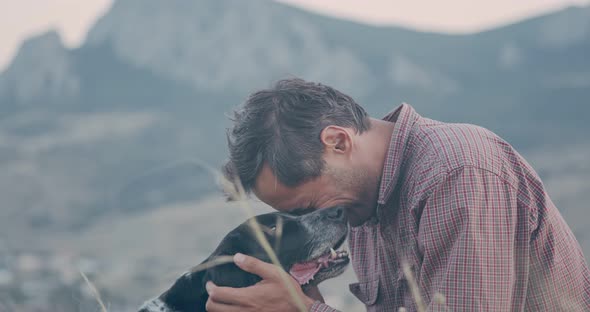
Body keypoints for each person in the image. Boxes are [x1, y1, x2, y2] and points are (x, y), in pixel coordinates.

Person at [204, 78, 590, 311]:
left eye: (308, 208)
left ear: (338, 141)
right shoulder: (362, 205)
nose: (317, 225)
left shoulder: (455, 174)